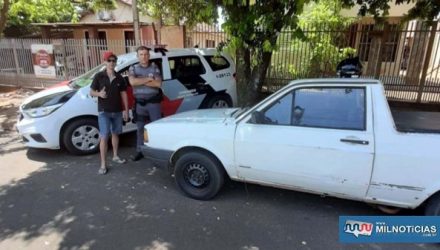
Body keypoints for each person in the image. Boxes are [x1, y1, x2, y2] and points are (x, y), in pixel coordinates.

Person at [90, 51, 129, 174]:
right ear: (105, 62)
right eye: (109, 60)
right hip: (104, 112)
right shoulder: (99, 76)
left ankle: (115, 156)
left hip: (117, 111)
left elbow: (124, 94)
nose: (112, 62)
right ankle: (103, 164)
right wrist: (99, 93)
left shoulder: (119, 78)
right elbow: (91, 92)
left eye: (113, 60)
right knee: (104, 136)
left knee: (116, 133)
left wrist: (126, 110)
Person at [129, 46, 163, 161]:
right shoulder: (133, 68)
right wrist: (148, 79)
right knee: (140, 128)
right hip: (140, 104)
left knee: (156, 128)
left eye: (146, 54)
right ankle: (140, 151)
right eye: (141, 54)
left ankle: (158, 151)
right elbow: (132, 82)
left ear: (149, 55)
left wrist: (140, 80)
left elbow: (158, 84)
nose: (144, 57)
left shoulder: (154, 67)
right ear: (137, 56)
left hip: (153, 102)